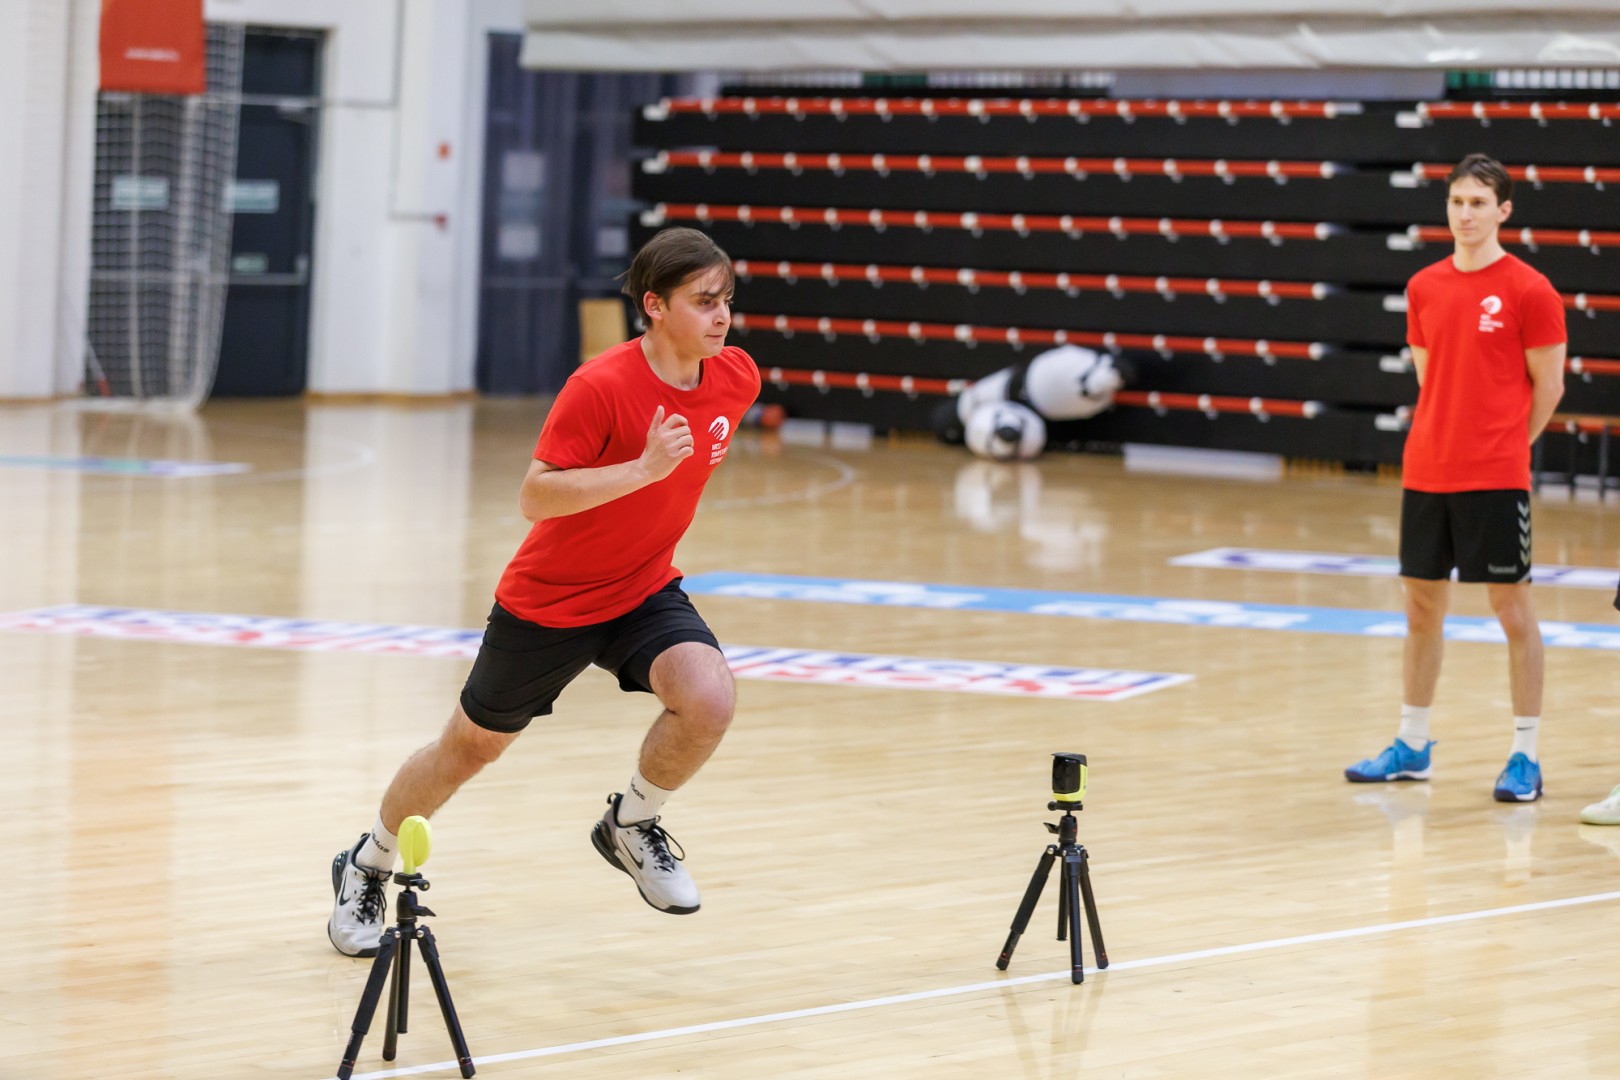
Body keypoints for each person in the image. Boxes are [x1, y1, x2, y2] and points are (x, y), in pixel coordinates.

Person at [328, 227, 761, 956]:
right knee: (469, 749)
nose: (722, 316)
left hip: (642, 588)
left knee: (709, 698)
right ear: (654, 306)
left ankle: (631, 824)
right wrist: (642, 471)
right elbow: (536, 496)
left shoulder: (736, 378)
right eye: (704, 301)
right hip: (551, 601)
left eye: (727, 300)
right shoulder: (601, 386)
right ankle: (367, 862)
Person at [1345, 153, 1566, 803]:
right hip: (1427, 470)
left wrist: (1508, 446)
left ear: (1503, 211)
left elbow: (1549, 386)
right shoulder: (1423, 287)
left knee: (1512, 611)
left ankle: (1525, 755)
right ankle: (1412, 745)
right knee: (1420, 608)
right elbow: (1430, 377)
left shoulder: (1531, 290)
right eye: (1457, 202)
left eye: (1478, 203)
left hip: (1495, 476)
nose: (1465, 214)